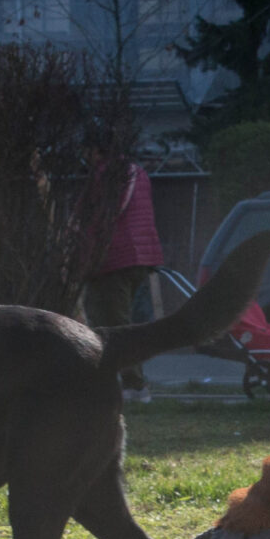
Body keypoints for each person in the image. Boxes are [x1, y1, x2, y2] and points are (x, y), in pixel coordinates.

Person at [82, 162, 166, 400]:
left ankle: (135, 386)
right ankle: (129, 383)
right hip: (140, 256)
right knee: (123, 321)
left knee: (112, 323)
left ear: (94, 152)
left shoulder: (104, 172)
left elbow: (100, 214)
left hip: (114, 258)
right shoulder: (137, 172)